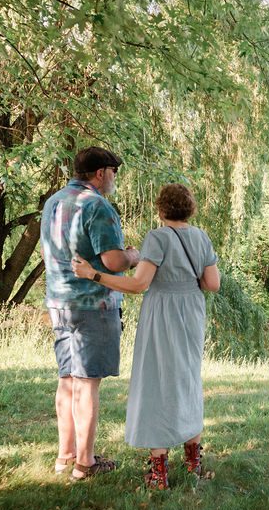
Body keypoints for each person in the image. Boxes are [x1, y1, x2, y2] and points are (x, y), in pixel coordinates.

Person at [71, 183, 220, 490]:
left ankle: (158, 471)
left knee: (157, 382)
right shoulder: (201, 237)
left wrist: (93, 274)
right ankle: (192, 460)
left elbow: (139, 285)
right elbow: (212, 284)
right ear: (190, 209)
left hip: (163, 312)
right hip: (191, 310)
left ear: (161, 209)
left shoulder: (157, 238)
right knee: (187, 378)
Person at [40, 146, 139, 481]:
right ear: (101, 173)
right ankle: (85, 463)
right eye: (114, 172)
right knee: (88, 383)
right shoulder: (97, 206)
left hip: (59, 302)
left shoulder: (53, 202)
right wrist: (134, 256)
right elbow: (113, 262)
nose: (114, 178)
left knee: (67, 380)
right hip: (93, 304)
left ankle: (64, 456)